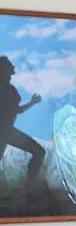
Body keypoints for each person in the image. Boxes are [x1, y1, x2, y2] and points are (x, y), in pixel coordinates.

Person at [0, 56, 46, 189]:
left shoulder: (10, 89)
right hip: (4, 131)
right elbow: (15, 110)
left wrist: (32, 103)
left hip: (7, 131)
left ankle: (29, 187)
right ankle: (28, 187)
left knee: (39, 152)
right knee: (39, 152)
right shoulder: (6, 89)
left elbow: (16, 110)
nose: (12, 68)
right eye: (9, 66)